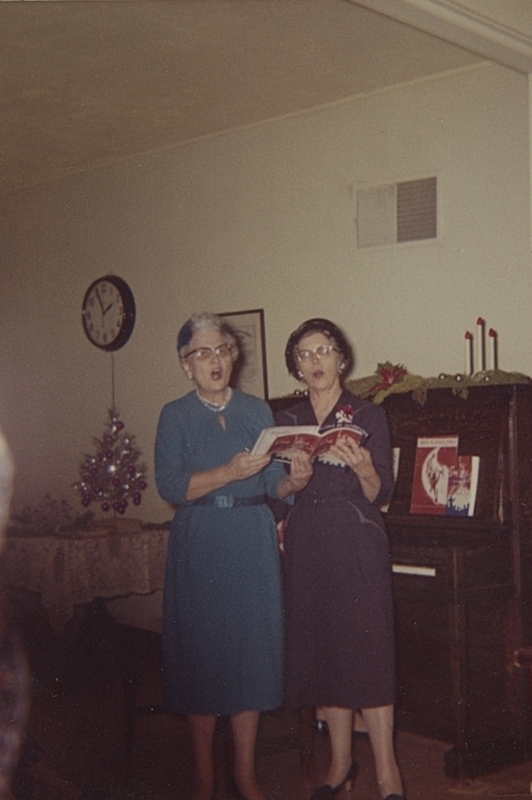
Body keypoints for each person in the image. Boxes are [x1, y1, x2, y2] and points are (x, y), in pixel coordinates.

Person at [154, 312, 304, 800]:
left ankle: (245, 774)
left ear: (233, 356)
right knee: (204, 656)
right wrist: (227, 471)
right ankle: (204, 778)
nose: (214, 360)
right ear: (185, 364)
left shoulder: (258, 411)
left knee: (251, 656)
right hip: (202, 541)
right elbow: (172, 486)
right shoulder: (174, 415)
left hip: (251, 539)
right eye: (202, 352)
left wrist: (294, 481)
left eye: (222, 350)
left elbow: (268, 485)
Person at [276, 318, 405, 800]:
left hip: (356, 538)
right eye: (305, 354)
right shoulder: (286, 422)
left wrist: (366, 466)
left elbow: (380, 493)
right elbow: (277, 495)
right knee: (323, 652)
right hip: (308, 539)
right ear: (296, 365)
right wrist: (294, 481)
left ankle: (389, 773)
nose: (315, 361)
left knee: (368, 654)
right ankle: (339, 766)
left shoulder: (368, 414)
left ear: (341, 359)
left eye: (323, 350)